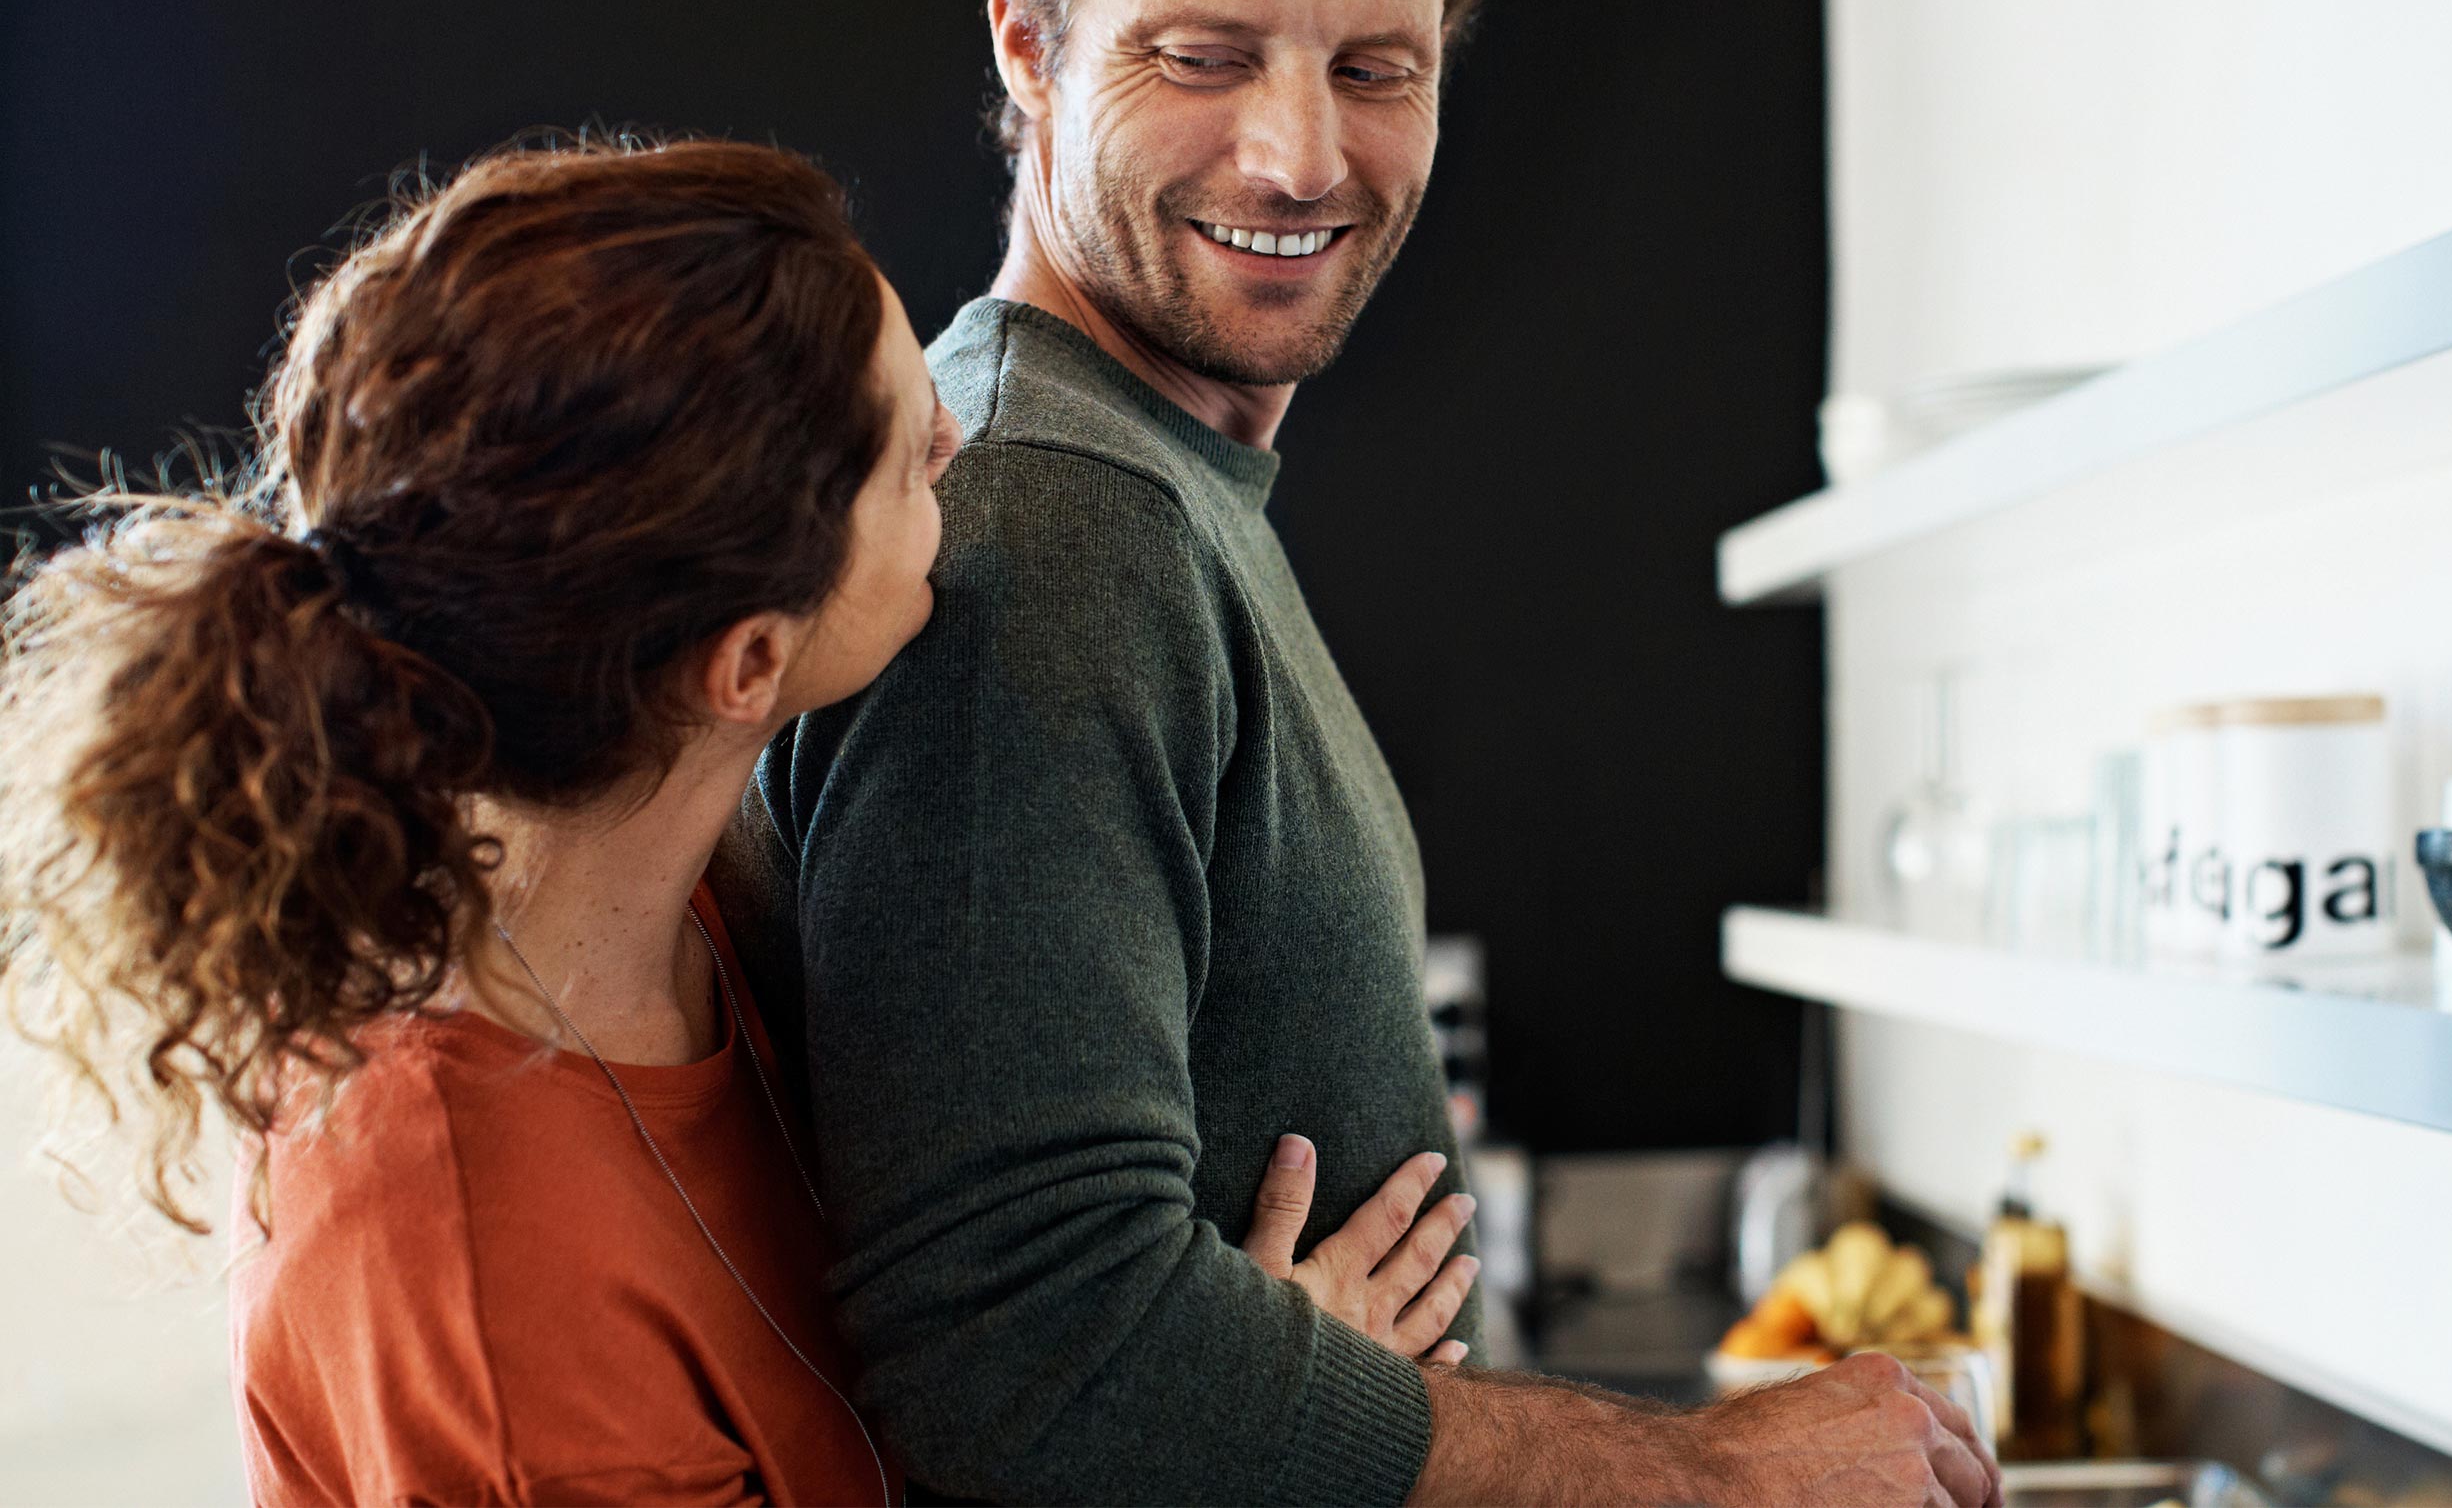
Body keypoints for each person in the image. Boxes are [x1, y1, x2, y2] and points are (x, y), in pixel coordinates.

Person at [714, 0, 2002, 1508]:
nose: (1301, 158)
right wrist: (1711, 1477)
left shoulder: (1161, 483)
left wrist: (1289, 1391)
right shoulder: (1056, 526)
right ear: (1024, 40)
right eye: (1204, 55)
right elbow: (1026, 1353)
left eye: (1375, 69)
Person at [0, 137, 1473, 1507]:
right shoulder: (485, 1286)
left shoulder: (686, 908)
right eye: (908, 452)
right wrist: (1248, 1446)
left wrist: (1186, 1376)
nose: (963, 436)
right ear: (749, 663)